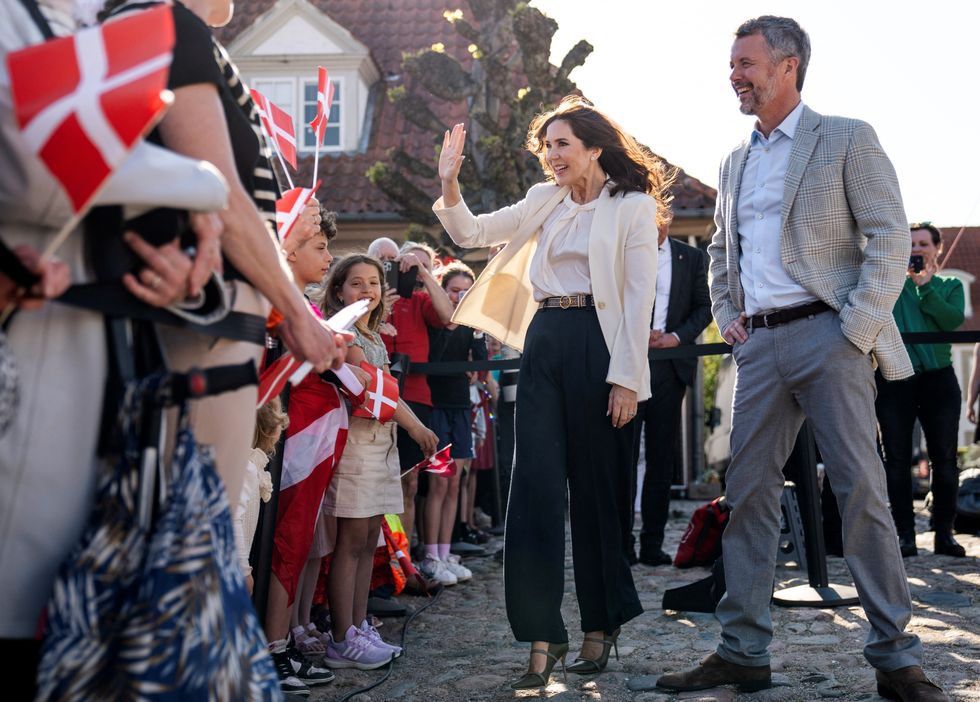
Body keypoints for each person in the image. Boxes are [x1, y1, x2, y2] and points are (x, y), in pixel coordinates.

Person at [657, 17, 948, 702]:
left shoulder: (846, 136)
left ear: (789, 65)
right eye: (732, 64)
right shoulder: (734, 160)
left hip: (831, 335)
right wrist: (730, 321)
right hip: (758, 346)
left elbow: (888, 236)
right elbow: (723, 254)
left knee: (862, 492)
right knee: (747, 496)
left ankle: (896, 658)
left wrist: (857, 327)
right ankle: (743, 651)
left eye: (746, 62)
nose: (735, 74)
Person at [434, 95, 673, 688]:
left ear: (595, 147)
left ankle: (601, 623)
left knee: (597, 494)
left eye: (562, 143)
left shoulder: (634, 207)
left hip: (601, 343)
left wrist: (625, 379)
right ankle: (542, 637)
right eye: (547, 145)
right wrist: (449, 183)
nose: (551, 154)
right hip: (544, 340)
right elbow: (470, 233)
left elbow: (639, 296)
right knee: (534, 491)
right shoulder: (546, 199)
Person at [105, 0, 346, 512]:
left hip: (209, 321)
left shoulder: (185, 35)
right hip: (198, 321)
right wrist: (297, 313)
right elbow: (224, 193)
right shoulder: (166, 21)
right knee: (192, 537)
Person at [319, 254, 437, 670]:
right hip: (356, 445)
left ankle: (357, 625)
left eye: (373, 282)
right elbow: (369, 386)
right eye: (356, 283)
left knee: (370, 541)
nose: (366, 290)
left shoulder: (372, 334)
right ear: (338, 291)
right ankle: (341, 635)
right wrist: (416, 427)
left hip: (380, 445)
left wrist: (413, 428)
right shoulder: (345, 333)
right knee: (350, 543)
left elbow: (388, 392)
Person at [876, 222, 965, 558]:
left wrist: (925, 287)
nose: (916, 249)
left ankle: (944, 533)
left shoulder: (949, 284)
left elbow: (951, 321)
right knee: (896, 460)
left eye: (923, 243)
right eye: (910, 243)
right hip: (894, 378)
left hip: (938, 379)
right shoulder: (890, 286)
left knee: (944, 459)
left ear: (936, 248)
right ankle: (904, 536)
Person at [632, 208, 711, 566]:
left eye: (655, 218)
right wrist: (636, 334)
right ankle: (621, 544)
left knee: (662, 459)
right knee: (624, 455)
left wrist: (677, 337)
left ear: (668, 219)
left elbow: (704, 306)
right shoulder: (622, 253)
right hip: (628, 364)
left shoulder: (691, 258)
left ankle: (652, 544)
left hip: (669, 366)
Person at [375, 239, 452, 555]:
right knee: (376, 487)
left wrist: (422, 271)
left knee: (408, 483)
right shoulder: (363, 301)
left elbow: (449, 317)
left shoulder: (419, 300)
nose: (389, 266)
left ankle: (401, 560)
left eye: (394, 261)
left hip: (417, 398)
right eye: (381, 261)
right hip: (377, 403)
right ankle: (382, 561)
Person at [418, 261, 486, 586]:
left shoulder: (474, 321)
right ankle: (430, 555)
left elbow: (479, 362)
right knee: (439, 482)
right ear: (444, 291)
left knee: (455, 481)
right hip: (437, 408)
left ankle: (446, 552)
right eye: (454, 290)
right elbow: (436, 356)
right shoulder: (436, 320)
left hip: (461, 407)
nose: (460, 297)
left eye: (465, 291)